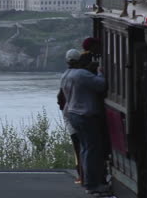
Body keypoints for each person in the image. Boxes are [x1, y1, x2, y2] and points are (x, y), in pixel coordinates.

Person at [60, 49, 109, 195]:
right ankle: (92, 184)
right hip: (85, 115)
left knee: (85, 149)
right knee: (92, 149)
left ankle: (87, 180)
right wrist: (100, 71)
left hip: (73, 114)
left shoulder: (65, 75)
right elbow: (101, 85)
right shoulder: (82, 74)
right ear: (79, 60)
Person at [57, 50, 83, 185]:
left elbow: (60, 100)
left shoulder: (64, 77)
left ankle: (81, 174)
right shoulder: (82, 76)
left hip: (69, 116)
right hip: (78, 115)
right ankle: (83, 174)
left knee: (77, 147)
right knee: (83, 146)